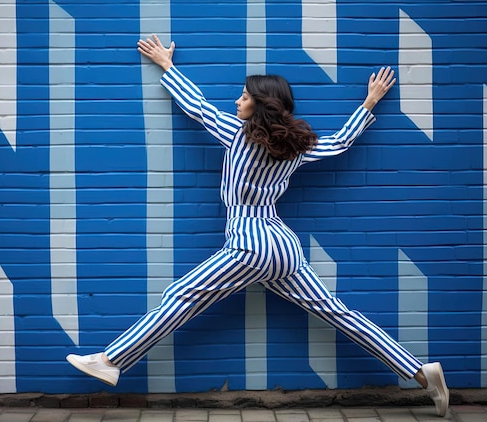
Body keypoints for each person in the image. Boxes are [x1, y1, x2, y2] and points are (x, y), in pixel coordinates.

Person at [67, 34, 450, 417]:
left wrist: (167, 67)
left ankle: (111, 359)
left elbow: (198, 108)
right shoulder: (297, 146)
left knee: (181, 298)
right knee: (339, 314)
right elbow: (339, 144)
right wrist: (369, 103)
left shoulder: (237, 136)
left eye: (244, 96)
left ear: (261, 104)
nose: (237, 101)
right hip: (283, 246)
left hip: (250, 243)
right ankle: (420, 372)